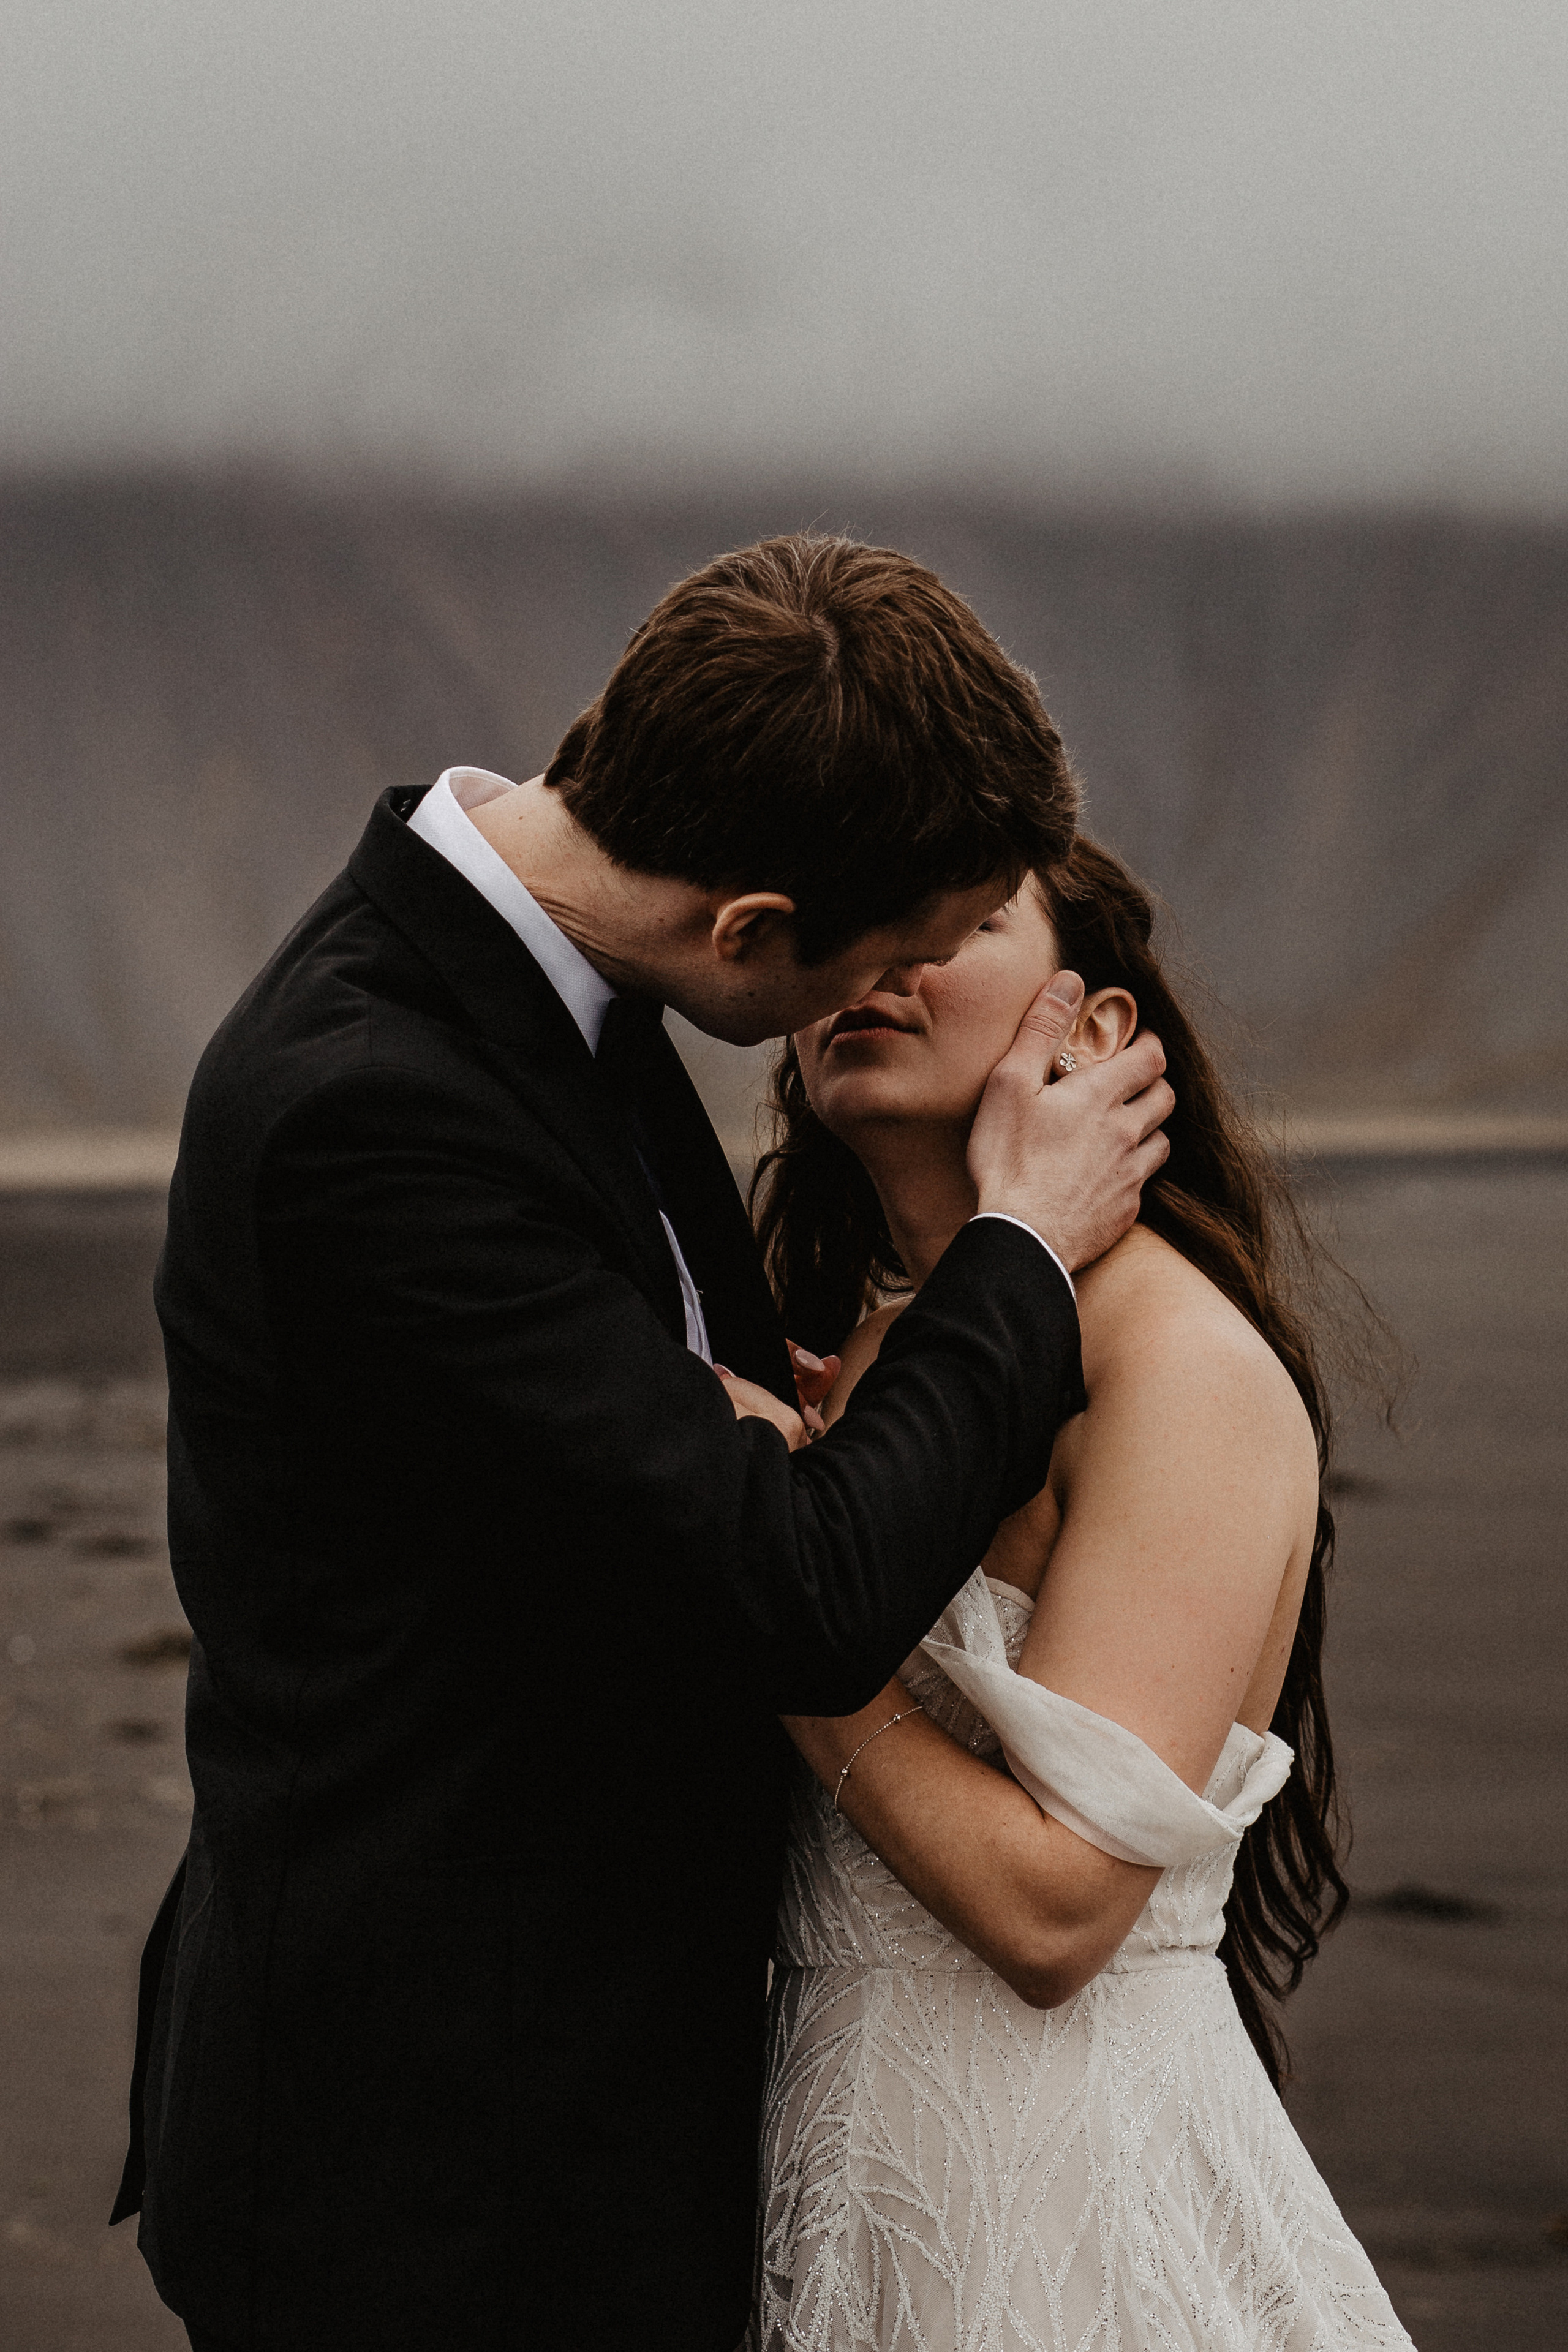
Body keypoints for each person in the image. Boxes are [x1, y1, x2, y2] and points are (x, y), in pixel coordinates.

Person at [109, 535, 1173, 2351]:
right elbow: (797, 1589)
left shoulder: (558, 987)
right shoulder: (368, 1103)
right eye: (888, 957)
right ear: (752, 929)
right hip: (433, 2182)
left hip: (586, 2123)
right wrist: (1022, 1247)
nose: (890, 996)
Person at [747, 840, 1413, 2348]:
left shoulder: (1177, 1367)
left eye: (962, 919)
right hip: (834, 2170)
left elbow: (1056, 1915)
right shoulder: (857, 1372)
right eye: (858, 911)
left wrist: (776, 1596)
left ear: (1097, 1032)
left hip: (1059, 2215)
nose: (884, 952)